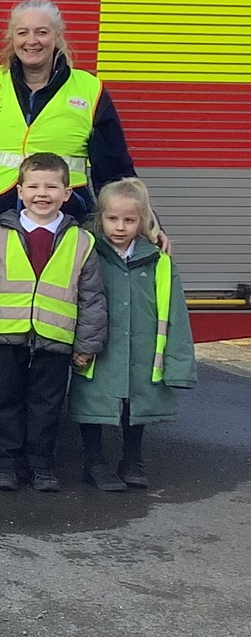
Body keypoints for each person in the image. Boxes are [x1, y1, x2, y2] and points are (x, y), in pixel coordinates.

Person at [0, 0, 140, 253]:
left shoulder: (90, 89)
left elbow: (115, 168)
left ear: (57, 36)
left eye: (42, 31)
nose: (32, 40)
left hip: (64, 215)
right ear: (11, 37)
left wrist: (145, 221)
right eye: (23, 32)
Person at [0, 151, 107, 493]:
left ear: (67, 194)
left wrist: (86, 345)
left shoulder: (82, 241)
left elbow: (92, 297)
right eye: (34, 186)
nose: (43, 193)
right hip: (5, 336)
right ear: (20, 190)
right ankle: (5, 464)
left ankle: (41, 465)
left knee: (47, 405)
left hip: (56, 338)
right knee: (4, 401)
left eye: (52, 187)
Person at [70, 178, 194, 493]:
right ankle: (94, 462)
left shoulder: (158, 261)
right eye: (112, 218)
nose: (120, 227)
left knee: (135, 404)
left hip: (141, 348)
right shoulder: (87, 253)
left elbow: (176, 312)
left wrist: (178, 364)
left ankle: (132, 460)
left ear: (143, 221)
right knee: (93, 402)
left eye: (130, 219)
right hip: (99, 348)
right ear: (100, 218)